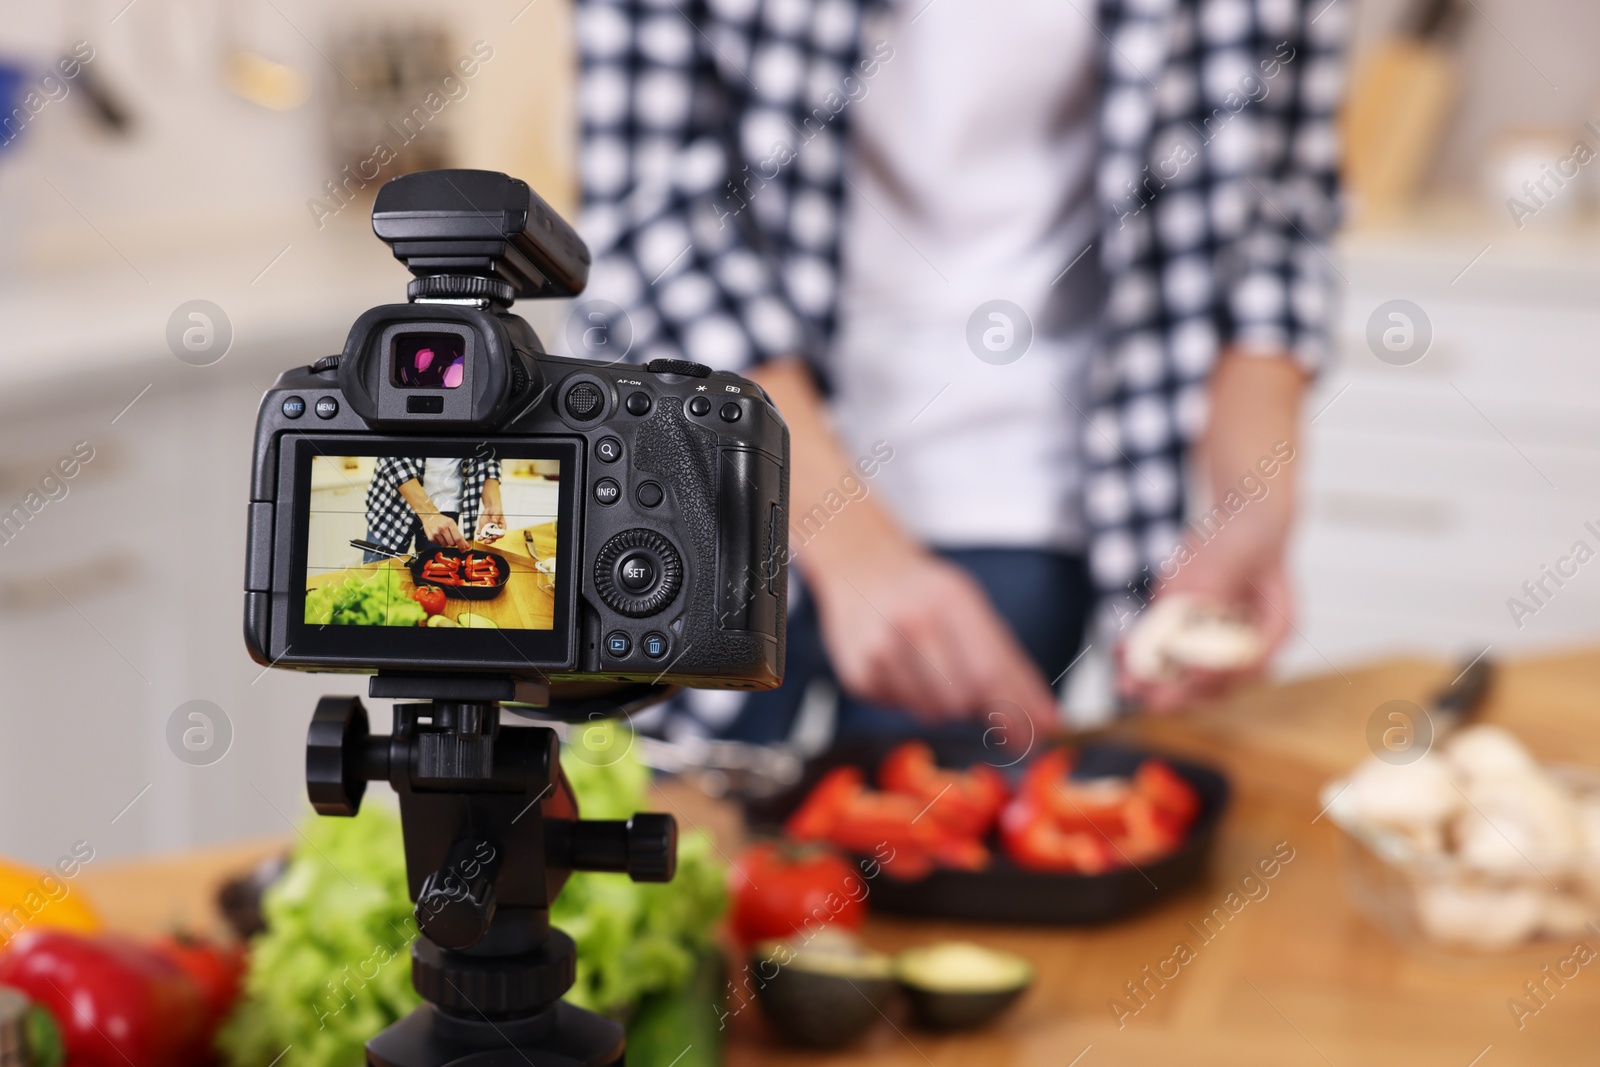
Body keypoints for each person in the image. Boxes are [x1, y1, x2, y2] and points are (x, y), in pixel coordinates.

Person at [574, 0, 1345, 741]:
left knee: (934, 856)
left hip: (1017, 490)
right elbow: (648, 215)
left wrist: (1254, 493)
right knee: (651, 833)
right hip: (692, 469)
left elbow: (1280, 208)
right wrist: (849, 542)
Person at [363, 456, 504, 561]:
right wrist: (429, 513)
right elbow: (390, 451)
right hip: (394, 502)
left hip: (447, 506)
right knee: (376, 577)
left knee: (434, 581)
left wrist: (492, 503)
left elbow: (492, 452)